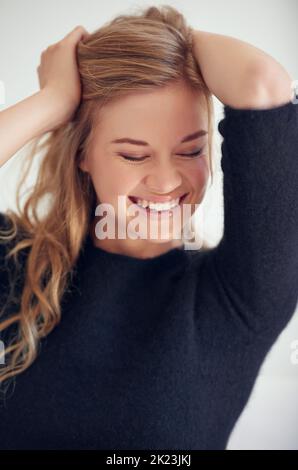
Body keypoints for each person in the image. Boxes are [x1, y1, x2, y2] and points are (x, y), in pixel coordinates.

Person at [0, 5, 297, 450]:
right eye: (133, 155)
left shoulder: (241, 294)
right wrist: (54, 100)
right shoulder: (22, 267)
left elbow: (262, 84)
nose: (165, 181)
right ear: (83, 153)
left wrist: (170, 41)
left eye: (190, 151)